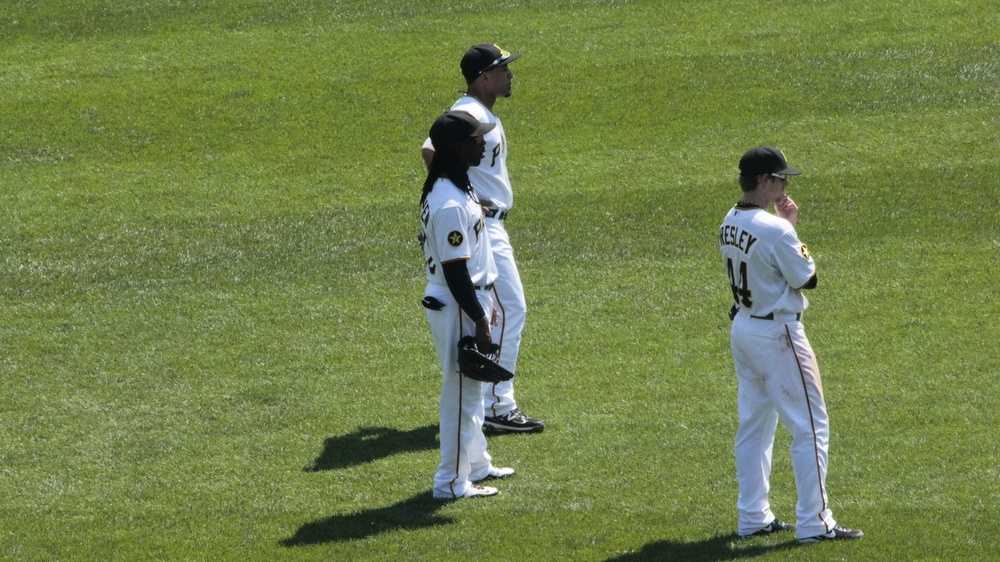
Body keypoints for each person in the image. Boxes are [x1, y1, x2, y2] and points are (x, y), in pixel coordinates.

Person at [719, 146, 864, 543]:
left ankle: (753, 515)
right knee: (811, 427)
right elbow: (806, 277)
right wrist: (792, 227)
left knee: (754, 426)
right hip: (779, 335)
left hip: (745, 329)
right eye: (781, 178)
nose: (786, 185)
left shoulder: (729, 220)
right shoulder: (776, 229)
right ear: (764, 181)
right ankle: (816, 523)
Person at [421, 43, 544, 434]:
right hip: (483, 224)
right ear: (483, 77)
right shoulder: (471, 111)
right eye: (502, 69)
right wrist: (465, 194)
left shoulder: (482, 112)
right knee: (510, 307)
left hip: (486, 221)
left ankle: (492, 404)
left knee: (508, 308)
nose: (509, 75)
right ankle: (496, 405)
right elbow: (430, 149)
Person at [420, 110, 516, 500]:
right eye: (477, 138)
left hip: (471, 296)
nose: (483, 142)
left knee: (472, 389)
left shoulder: (457, 185)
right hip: (458, 302)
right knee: (460, 393)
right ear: (459, 148)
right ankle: (450, 482)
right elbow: (456, 271)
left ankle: (476, 464)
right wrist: (479, 316)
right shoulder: (449, 202)